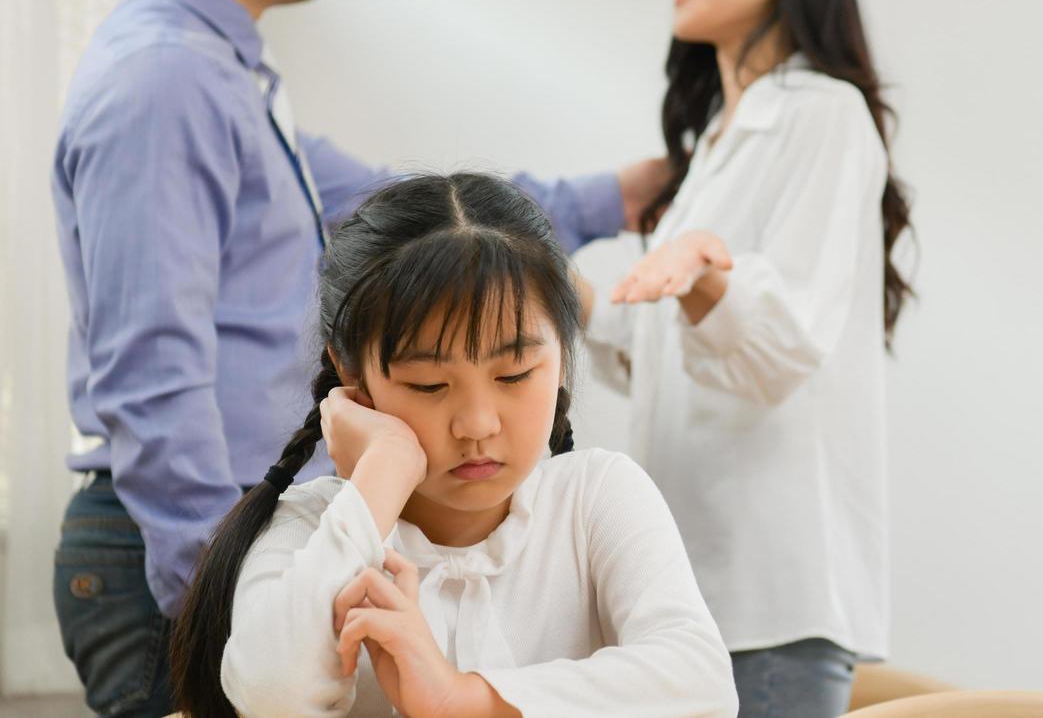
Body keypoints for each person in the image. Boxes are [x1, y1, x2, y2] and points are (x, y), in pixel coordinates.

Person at [50, 0, 665, 716]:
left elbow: (402, 209)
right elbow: (150, 375)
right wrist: (219, 611)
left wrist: (606, 199)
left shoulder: (228, 75)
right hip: (176, 547)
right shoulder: (165, 82)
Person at [168, 172, 737, 718]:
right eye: (428, 385)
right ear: (350, 374)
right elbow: (273, 699)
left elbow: (701, 682)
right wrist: (382, 473)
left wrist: (461, 699)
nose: (477, 424)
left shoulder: (596, 499)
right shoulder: (309, 532)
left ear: (562, 355)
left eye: (514, 375)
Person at [579, 0, 915, 717]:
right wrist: (562, 287)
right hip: (683, 594)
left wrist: (701, 268)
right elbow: (654, 349)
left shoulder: (823, 113)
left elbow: (782, 342)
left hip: (768, 597)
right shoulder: (717, 148)